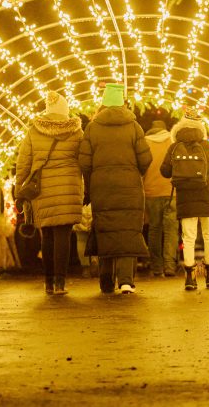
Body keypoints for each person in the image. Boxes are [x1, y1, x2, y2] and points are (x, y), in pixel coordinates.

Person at [79, 83, 152, 294]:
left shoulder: (92, 128)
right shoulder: (134, 127)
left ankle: (106, 281)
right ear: (122, 102)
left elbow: (84, 161)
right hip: (130, 188)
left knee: (105, 230)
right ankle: (126, 281)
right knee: (128, 231)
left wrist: (90, 185)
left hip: (101, 187)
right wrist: (134, 172)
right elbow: (146, 159)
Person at [15, 91, 83, 295]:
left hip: (42, 188)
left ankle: (48, 283)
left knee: (47, 235)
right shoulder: (77, 132)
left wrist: (20, 190)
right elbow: (84, 160)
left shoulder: (34, 131)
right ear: (65, 111)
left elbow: (23, 162)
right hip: (68, 188)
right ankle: (61, 282)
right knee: (63, 235)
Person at [160, 107, 209, 290]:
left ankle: (190, 277)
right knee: (208, 234)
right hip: (206, 195)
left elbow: (164, 171)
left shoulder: (174, 146)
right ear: (200, 127)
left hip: (185, 197)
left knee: (188, 237)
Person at [143, 117, 179, 277]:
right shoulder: (172, 141)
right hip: (171, 191)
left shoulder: (144, 142)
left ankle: (156, 267)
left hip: (151, 191)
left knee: (154, 229)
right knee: (171, 230)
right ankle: (170, 266)